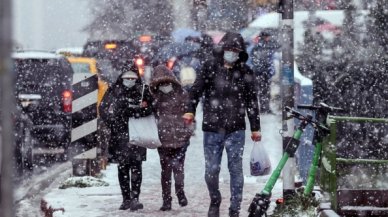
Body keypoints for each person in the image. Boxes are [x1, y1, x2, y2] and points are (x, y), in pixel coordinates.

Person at [182, 32, 262, 217]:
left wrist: (256, 127)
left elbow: (252, 102)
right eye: (229, 49)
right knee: (212, 170)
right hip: (212, 128)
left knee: (235, 169)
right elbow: (195, 91)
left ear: (240, 52)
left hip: (236, 129)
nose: (231, 53)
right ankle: (215, 200)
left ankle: (235, 208)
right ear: (222, 49)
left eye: (235, 50)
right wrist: (190, 111)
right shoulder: (209, 67)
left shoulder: (245, 72)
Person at [99, 64, 153, 211]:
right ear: (121, 77)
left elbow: (152, 107)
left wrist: (139, 112)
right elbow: (103, 107)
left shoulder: (143, 90)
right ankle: (126, 199)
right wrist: (112, 121)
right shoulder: (114, 89)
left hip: (137, 132)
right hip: (119, 133)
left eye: (132, 78)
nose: (129, 80)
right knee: (123, 166)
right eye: (127, 78)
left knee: (136, 165)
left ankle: (135, 198)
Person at [149, 65, 193, 211]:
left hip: (180, 138)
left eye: (166, 83)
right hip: (163, 139)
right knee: (165, 171)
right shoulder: (155, 97)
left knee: (178, 168)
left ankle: (180, 193)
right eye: (160, 84)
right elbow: (149, 114)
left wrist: (187, 133)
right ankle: (166, 200)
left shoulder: (182, 94)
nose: (164, 86)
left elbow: (190, 114)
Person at [250, 31, 279, 114]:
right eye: (267, 36)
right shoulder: (263, 47)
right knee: (265, 91)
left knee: (262, 91)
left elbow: (255, 60)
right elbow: (266, 60)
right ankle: (265, 108)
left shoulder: (258, 47)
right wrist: (268, 70)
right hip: (263, 73)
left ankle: (264, 108)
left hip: (261, 72)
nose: (269, 38)